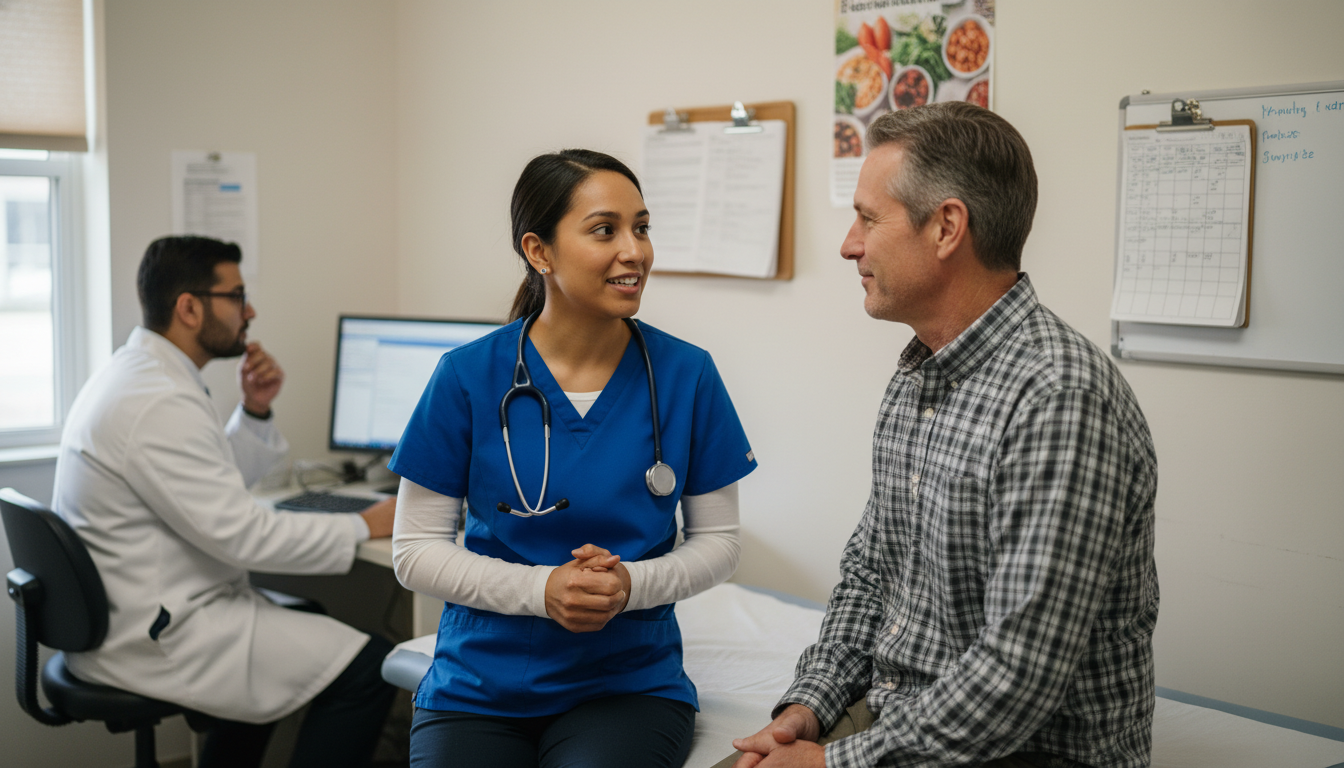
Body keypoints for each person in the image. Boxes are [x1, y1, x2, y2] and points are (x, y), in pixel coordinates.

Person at [724, 103, 1159, 768]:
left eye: (868, 218)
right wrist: (808, 708)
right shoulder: (922, 373)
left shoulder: (1059, 401)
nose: (848, 244)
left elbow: (1016, 677)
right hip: (908, 719)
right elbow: (873, 573)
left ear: (947, 228)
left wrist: (832, 764)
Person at [389, 148, 758, 768]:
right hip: (478, 686)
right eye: (604, 230)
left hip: (627, 685)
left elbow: (719, 540)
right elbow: (414, 551)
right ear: (540, 252)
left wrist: (629, 584)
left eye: (641, 227)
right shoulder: (466, 376)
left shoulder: (686, 374)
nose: (634, 250)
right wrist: (543, 589)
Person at [52, 236, 398, 768]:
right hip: (160, 634)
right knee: (371, 667)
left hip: (143, 609)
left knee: (307, 619)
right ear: (189, 307)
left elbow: (200, 487)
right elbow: (244, 535)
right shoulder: (158, 400)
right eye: (236, 296)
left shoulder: (142, 377)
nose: (250, 311)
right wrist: (366, 524)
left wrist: (255, 411)